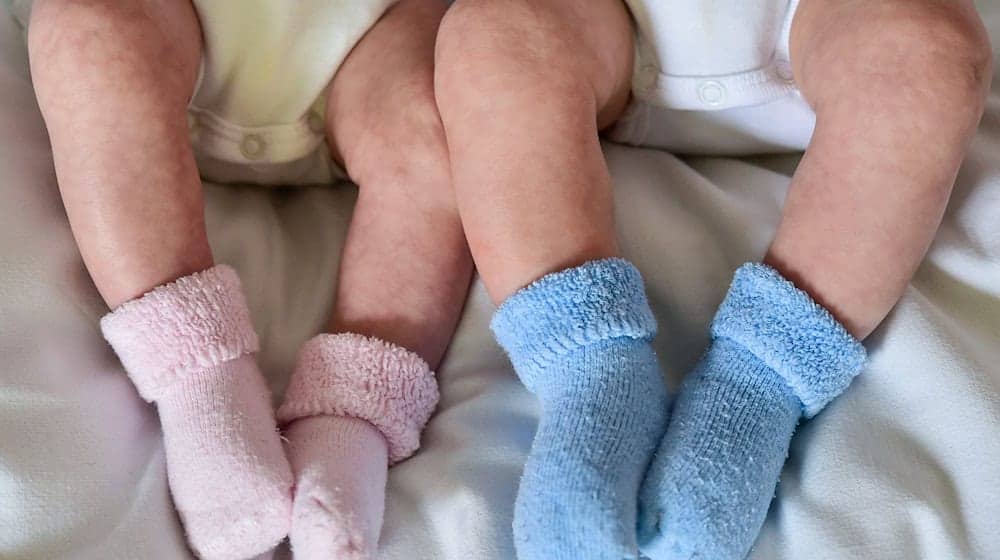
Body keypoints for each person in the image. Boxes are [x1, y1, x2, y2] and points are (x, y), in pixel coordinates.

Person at [431, 0, 992, 558]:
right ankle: (590, 365)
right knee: (489, 36)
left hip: (830, 21)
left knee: (928, 50)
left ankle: (758, 381)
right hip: (609, 24)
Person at [25, 0, 470, 558]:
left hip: (378, 32)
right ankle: (203, 379)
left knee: (445, 113)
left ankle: (350, 421)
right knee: (87, 31)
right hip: (175, 25)